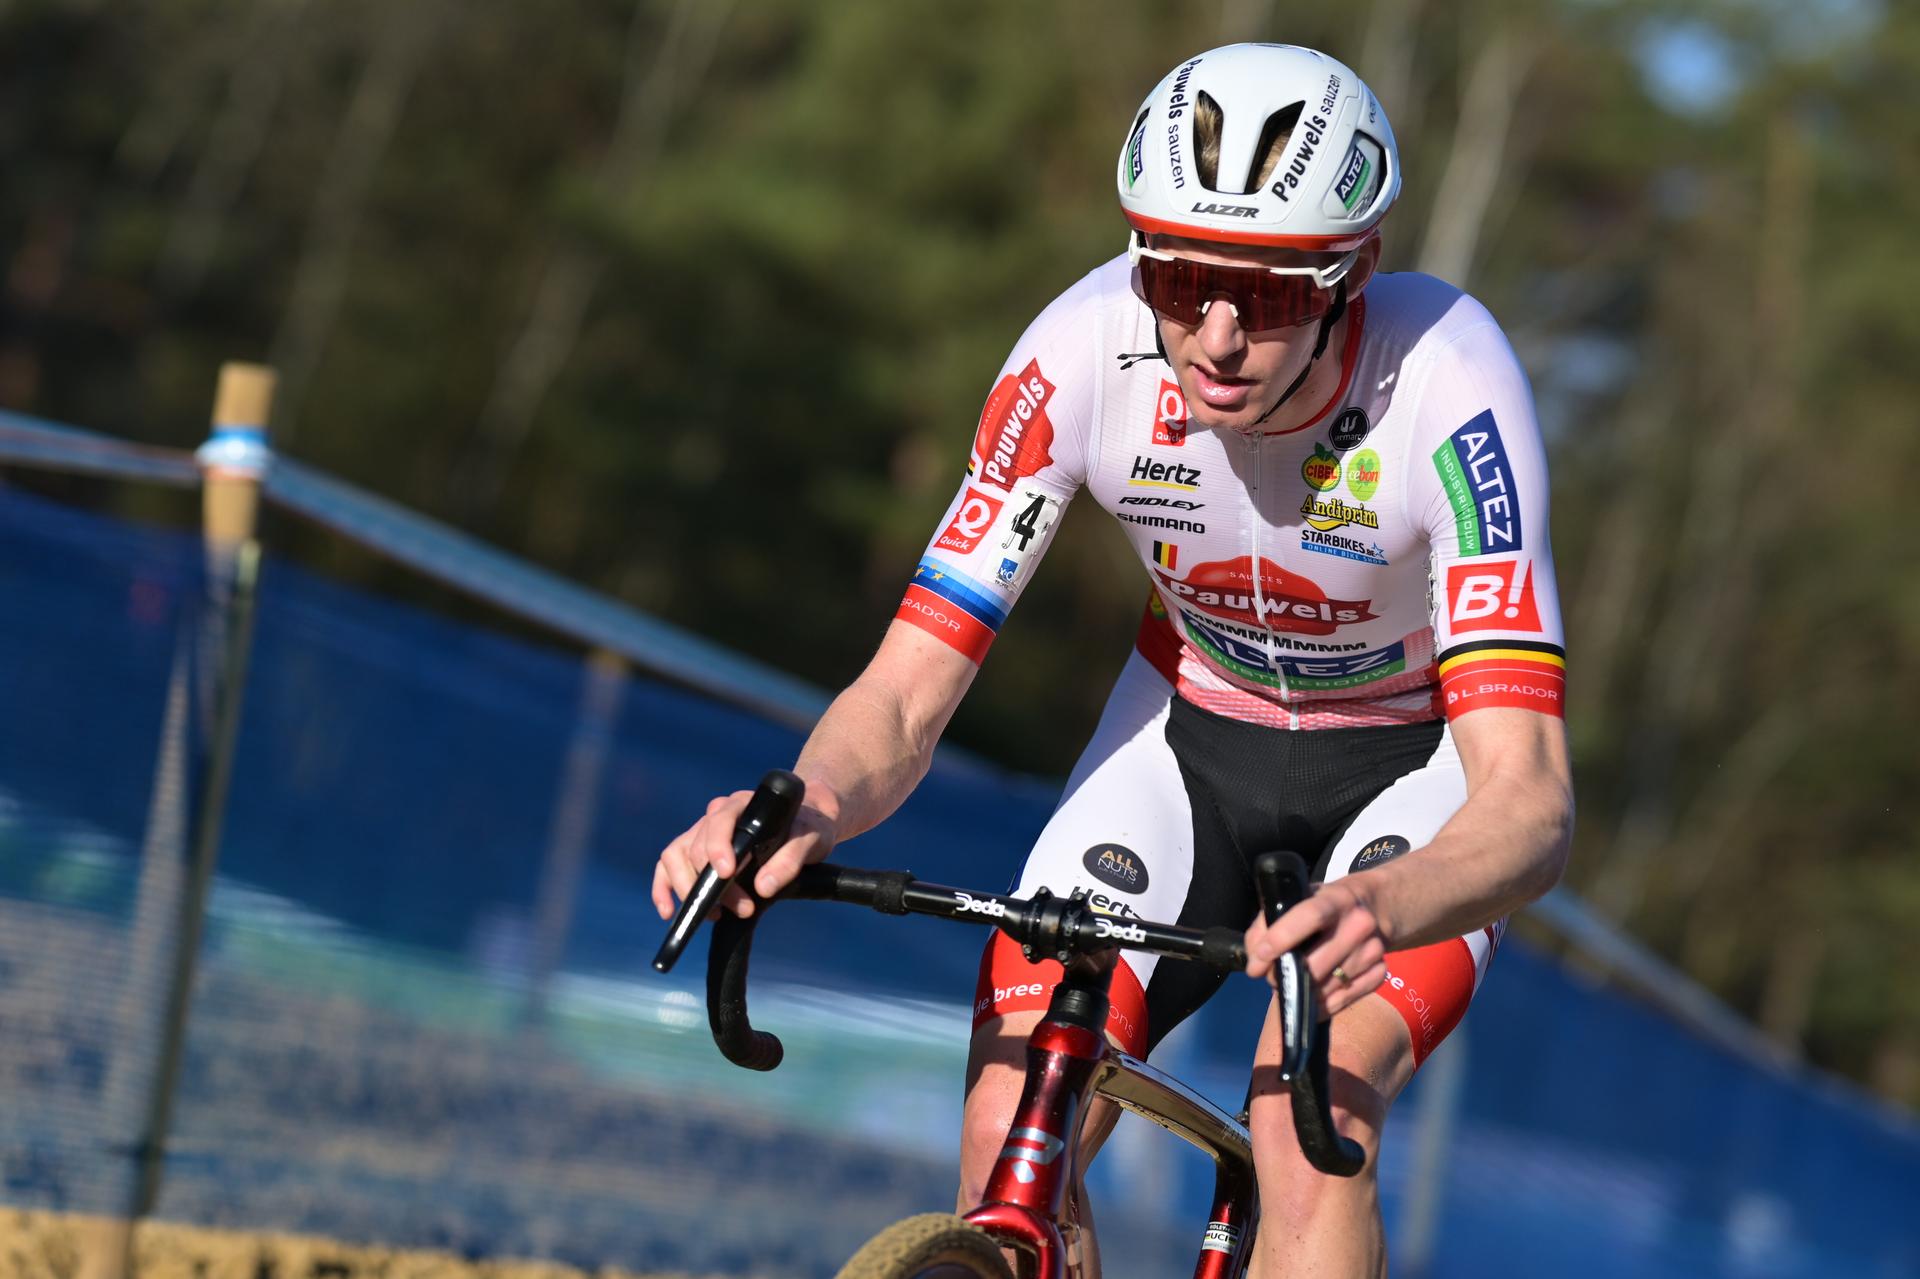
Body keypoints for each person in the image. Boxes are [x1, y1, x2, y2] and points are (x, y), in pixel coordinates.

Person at [654, 42, 1572, 1278]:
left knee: (1310, 1114)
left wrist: (1386, 902)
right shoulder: (1080, 353)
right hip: (1191, 729)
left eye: (1278, 292)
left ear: (1353, 277)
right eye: (1182, 278)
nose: (1221, 334)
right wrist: (803, 806)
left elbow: (1530, 799)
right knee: (1011, 1111)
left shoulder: (1451, 378)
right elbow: (906, 689)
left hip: (1417, 768)